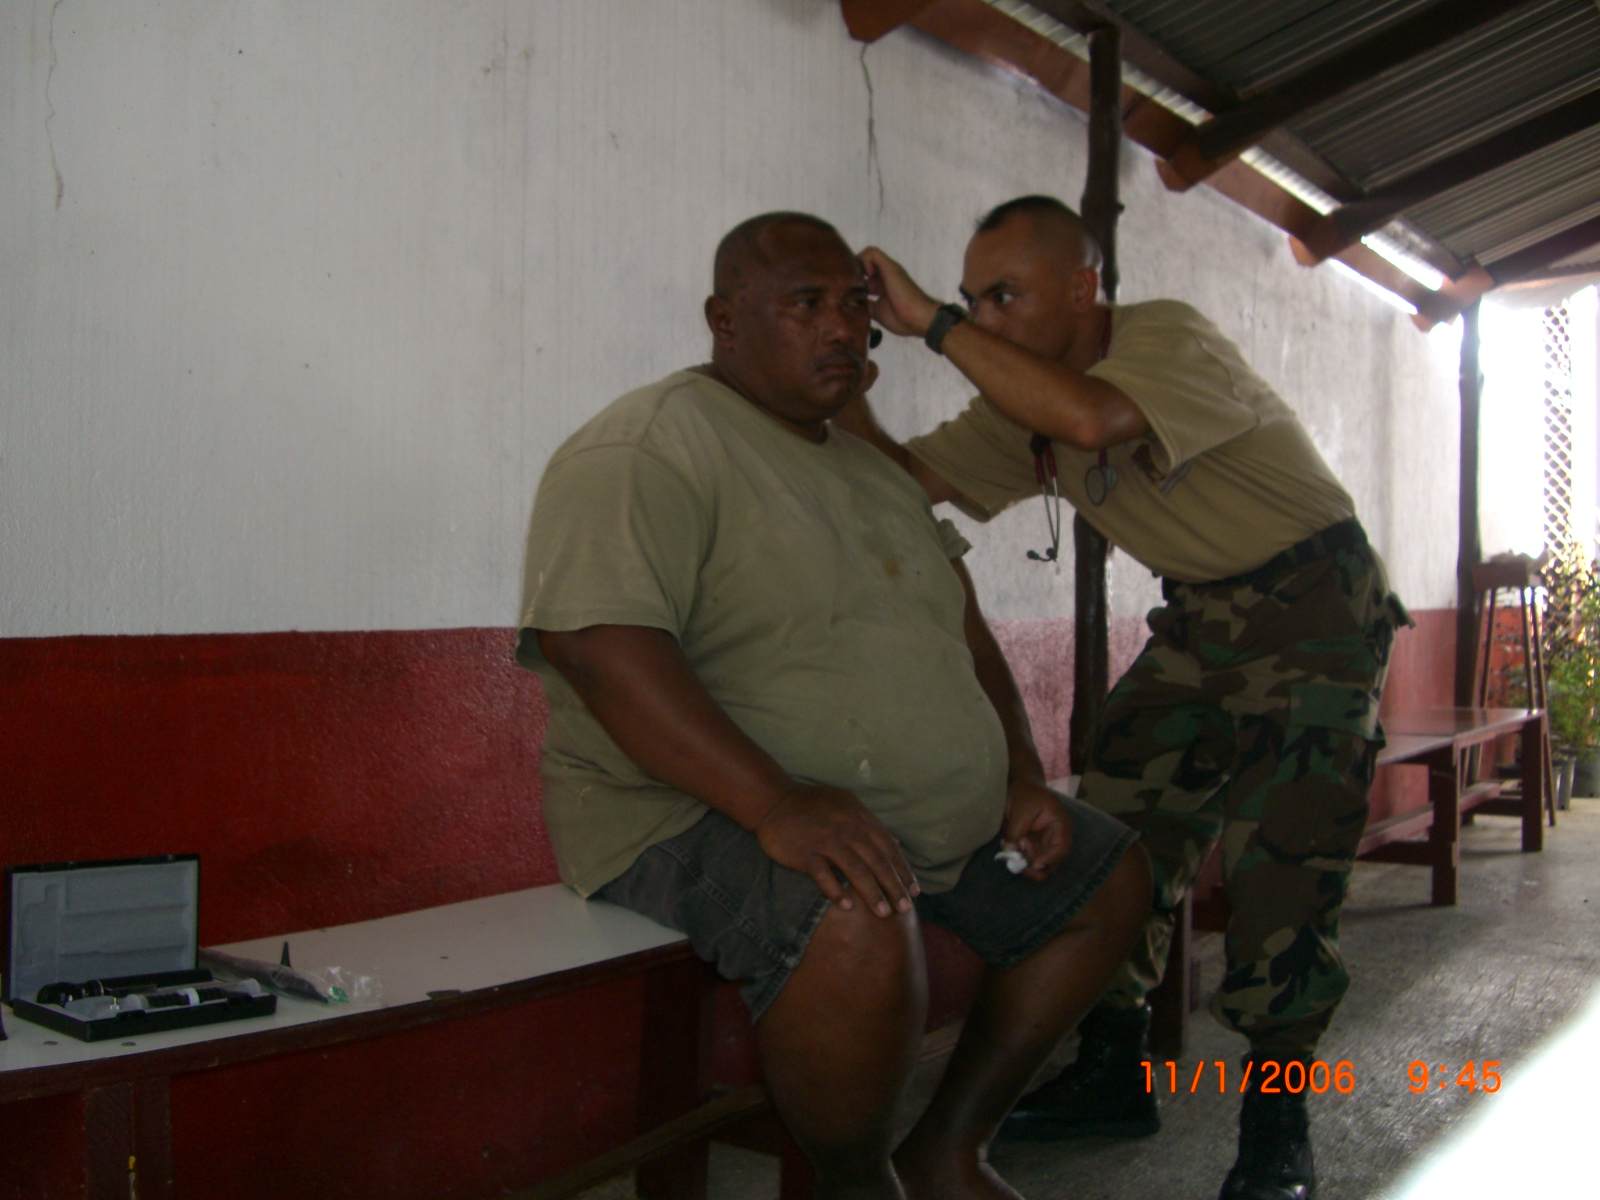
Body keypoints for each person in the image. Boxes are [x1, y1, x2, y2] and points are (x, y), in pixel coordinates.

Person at [515, 211, 1151, 1200]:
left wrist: (1021, 774)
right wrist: (777, 804)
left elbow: (963, 630)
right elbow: (598, 649)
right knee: (853, 909)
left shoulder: (870, 469)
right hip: (678, 813)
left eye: (854, 305)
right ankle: (856, 1185)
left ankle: (948, 1148)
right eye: (804, 304)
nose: (842, 329)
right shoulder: (648, 445)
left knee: (1103, 875)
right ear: (724, 320)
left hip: (888, 811)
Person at [842, 195, 1410, 1200]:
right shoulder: (1019, 410)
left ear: (1082, 289)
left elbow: (1094, 418)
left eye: (1004, 297)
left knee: (1283, 865)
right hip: (1202, 623)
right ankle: (1113, 1068)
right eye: (975, 298)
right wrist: (849, 387)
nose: (986, 316)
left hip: (1314, 610)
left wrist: (933, 320)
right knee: (1113, 838)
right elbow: (905, 482)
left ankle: (1276, 1123)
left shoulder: (1164, 338)